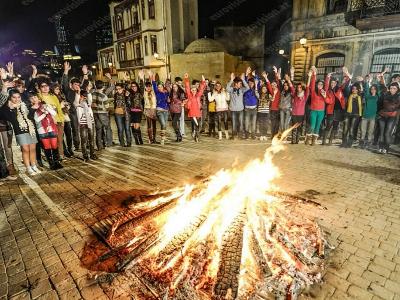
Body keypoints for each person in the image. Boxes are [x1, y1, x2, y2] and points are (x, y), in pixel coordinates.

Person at [0, 89, 39, 175]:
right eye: (14, 97)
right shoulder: (8, 108)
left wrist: (32, 109)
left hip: (30, 128)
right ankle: (28, 168)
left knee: (32, 148)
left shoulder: (24, 105)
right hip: (19, 130)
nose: (17, 99)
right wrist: (10, 107)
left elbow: (30, 116)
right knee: (25, 149)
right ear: (10, 98)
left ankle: (34, 166)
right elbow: (4, 115)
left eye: (18, 97)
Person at [29, 93, 63, 170]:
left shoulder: (46, 105)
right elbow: (37, 120)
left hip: (51, 128)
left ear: (38, 98)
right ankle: (51, 163)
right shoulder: (32, 109)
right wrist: (44, 114)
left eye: (35, 97)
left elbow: (54, 113)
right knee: (47, 147)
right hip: (41, 130)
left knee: (54, 146)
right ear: (31, 100)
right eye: (32, 98)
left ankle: (57, 162)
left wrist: (47, 108)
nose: (34, 99)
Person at [37, 77, 65, 163]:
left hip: (57, 121)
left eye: (47, 86)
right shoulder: (39, 97)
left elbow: (59, 109)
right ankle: (50, 159)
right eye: (43, 86)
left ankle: (59, 156)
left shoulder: (53, 96)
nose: (45, 88)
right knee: (48, 142)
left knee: (59, 140)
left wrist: (62, 120)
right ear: (39, 88)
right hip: (46, 123)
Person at [305, 66, 332, 146]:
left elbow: (327, 87)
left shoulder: (324, 92)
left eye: (321, 84)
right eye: (319, 84)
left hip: (321, 112)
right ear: (317, 85)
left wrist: (328, 78)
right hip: (313, 111)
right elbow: (312, 83)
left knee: (317, 126)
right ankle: (308, 138)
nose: (320, 85)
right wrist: (314, 74)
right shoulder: (313, 91)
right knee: (312, 126)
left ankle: (313, 140)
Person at [323, 70, 350, 145]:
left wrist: (347, 74)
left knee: (335, 126)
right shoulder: (328, 91)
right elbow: (327, 100)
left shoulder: (339, 89)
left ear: (336, 83)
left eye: (334, 83)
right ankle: (324, 141)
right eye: (331, 82)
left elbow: (346, 83)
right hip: (331, 111)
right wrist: (328, 77)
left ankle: (330, 141)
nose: (332, 84)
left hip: (338, 111)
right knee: (328, 125)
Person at [91, 74, 115, 150]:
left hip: (95, 113)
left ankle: (99, 145)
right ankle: (109, 143)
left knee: (98, 130)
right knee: (107, 128)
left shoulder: (92, 93)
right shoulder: (104, 96)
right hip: (103, 113)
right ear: (103, 86)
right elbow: (107, 106)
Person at [62, 62, 81, 151]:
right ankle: (69, 148)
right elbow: (64, 82)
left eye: (78, 84)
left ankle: (77, 146)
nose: (77, 86)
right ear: (72, 85)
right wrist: (66, 71)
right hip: (69, 113)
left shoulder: (80, 92)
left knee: (76, 130)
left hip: (77, 113)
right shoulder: (68, 91)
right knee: (69, 131)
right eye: (75, 84)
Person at [74, 87, 97, 161]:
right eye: (83, 96)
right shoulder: (77, 105)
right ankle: (85, 155)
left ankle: (92, 154)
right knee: (84, 140)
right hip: (83, 124)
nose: (84, 98)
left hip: (91, 123)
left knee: (91, 139)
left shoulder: (88, 104)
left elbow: (90, 99)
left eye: (85, 96)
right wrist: (78, 92)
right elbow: (76, 101)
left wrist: (88, 91)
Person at [377, 80, 400, 153]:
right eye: (391, 88)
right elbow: (379, 104)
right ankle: (380, 147)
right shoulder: (385, 95)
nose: (392, 90)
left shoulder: (399, 97)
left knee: (387, 133)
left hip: (392, 117)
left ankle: (386, 148)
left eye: (394, 88)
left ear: (397, 89)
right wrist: (379, 114)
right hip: (382, 116)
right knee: (382, 132)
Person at [226, 70, 250, 139]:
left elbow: (247, 87)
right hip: (233, 109)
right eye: (240, 83)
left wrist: (243, 79)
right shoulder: (231, 89)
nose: (241, 84)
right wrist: (231, 80)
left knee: (241, 123)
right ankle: (234, 136)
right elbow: (227, 88)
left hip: (240, 109)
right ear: (236, 84)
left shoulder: (242, 90)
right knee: (234, 123)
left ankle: (240, 136)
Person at [184, 73, 206, 142]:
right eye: (192, 90)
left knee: (198, 125)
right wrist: (186, 79)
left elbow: (202, 89)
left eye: (195, 90)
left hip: (198, 112)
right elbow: (187, 87)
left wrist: (203, 81)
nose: (193, 91)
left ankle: (196, 135)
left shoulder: (198, 95)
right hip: (192, 113)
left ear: (196, 90)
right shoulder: (189, 95)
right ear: (191, 90)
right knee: (196, 124)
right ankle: (197, 136)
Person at [290, 70, 311, 144]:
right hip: (294, 114)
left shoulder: (305, 95)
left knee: (299, 128)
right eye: (298, 87)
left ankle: (297, 140)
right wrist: (292, 74)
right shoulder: (295, 94)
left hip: (301, 114)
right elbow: (291, 86)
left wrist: (309, 77)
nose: (298, 88)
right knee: (294, 127)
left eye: (300, 87)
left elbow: (308, 87)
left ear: (302, 88)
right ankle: (293, 140)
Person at [150, 70, 170, 145]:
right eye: (158, 87)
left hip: (166, 110)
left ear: (163, 87)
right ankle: (162, 138)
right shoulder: (156, 92)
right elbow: (154, 84)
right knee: (163, 124)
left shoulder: (166, 93)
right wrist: (153, 77)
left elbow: (167, 85)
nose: (159, 88)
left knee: (164, 125)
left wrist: (168, 101)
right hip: (159, 110)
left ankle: (163, 138)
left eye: (160, 87)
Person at [360, 75, 379, 149]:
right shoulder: (368, 96)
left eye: (374, 89)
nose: (373, 90)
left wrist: (377, 80)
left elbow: (379, 88)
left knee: (370, 131)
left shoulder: (377, 97)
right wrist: (368, 82)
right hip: (365, 116)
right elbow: (366, 90)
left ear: (376, 90)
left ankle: (368, 143)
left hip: (373, 116)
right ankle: (361, 143)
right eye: (372, 89)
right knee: (363, 130)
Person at [341, 83, 363, 148]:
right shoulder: (349, 95)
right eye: (353, 89)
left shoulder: (360, 96)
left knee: (351, 129)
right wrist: (349, 79)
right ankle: (344, 142)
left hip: (356, 115)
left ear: (358, 90)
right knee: (345, 128)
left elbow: (365, 91)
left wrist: (362, 84)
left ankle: (349, 143)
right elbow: (346, 88)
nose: (354, 90)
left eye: (356, 89)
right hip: (348, 114)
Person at [265, 66, 281, 139]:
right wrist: (266, 78)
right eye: (272, 85)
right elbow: (268, 84)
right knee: (273, 123)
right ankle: (272, 135)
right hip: (272, 110)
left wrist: (275, 72)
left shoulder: (279, 91)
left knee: (277, 124)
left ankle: (276, 135)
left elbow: (278, 80)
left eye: (274, 84)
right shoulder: (272, 92)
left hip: (278, 109)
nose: (273, 85)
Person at [114, 83, 131, 147]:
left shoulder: (127, 94)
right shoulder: (115, 95)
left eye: (119, 89)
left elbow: (129, 104)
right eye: (117, 89)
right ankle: (122, 143)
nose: (118, 90)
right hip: (117, 114)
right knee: (120, 129)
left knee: (127, 129)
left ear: (122, 88)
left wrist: (127, 97)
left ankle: (129, 143)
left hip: (126, 114)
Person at [127, 80, 144, 145]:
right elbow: (128, 102)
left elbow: (142, 87)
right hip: (131, 112)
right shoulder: (129, 94)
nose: (134, 87)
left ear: (137, 86)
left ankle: (140, 139)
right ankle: (137, 140)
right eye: (132, 86)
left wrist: (141, 79)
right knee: (132, 126)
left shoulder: (140, 93)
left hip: (138, 111)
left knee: (136, 126)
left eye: (135, 86)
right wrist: (127, 96)